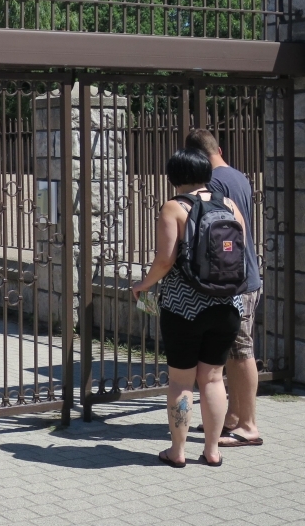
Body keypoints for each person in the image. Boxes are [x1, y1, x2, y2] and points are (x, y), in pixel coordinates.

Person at [131, 148, 245, 468]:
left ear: (174, 176)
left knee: (181, 381)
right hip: (227, 304)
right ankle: (212, 451)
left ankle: (177, 452)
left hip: (185, 305)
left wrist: (143, 284)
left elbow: (166, 260)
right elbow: (240, 252)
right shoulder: (230, 205)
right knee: (213, 378)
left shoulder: (174, 207)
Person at [185, 128, 264, 448]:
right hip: (246, 274)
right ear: (218, 148)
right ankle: (232, 416)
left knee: (242, 351)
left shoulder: (213, 183)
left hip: (233, 280)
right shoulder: (238, 176)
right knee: (233, 351)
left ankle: (248, 425)